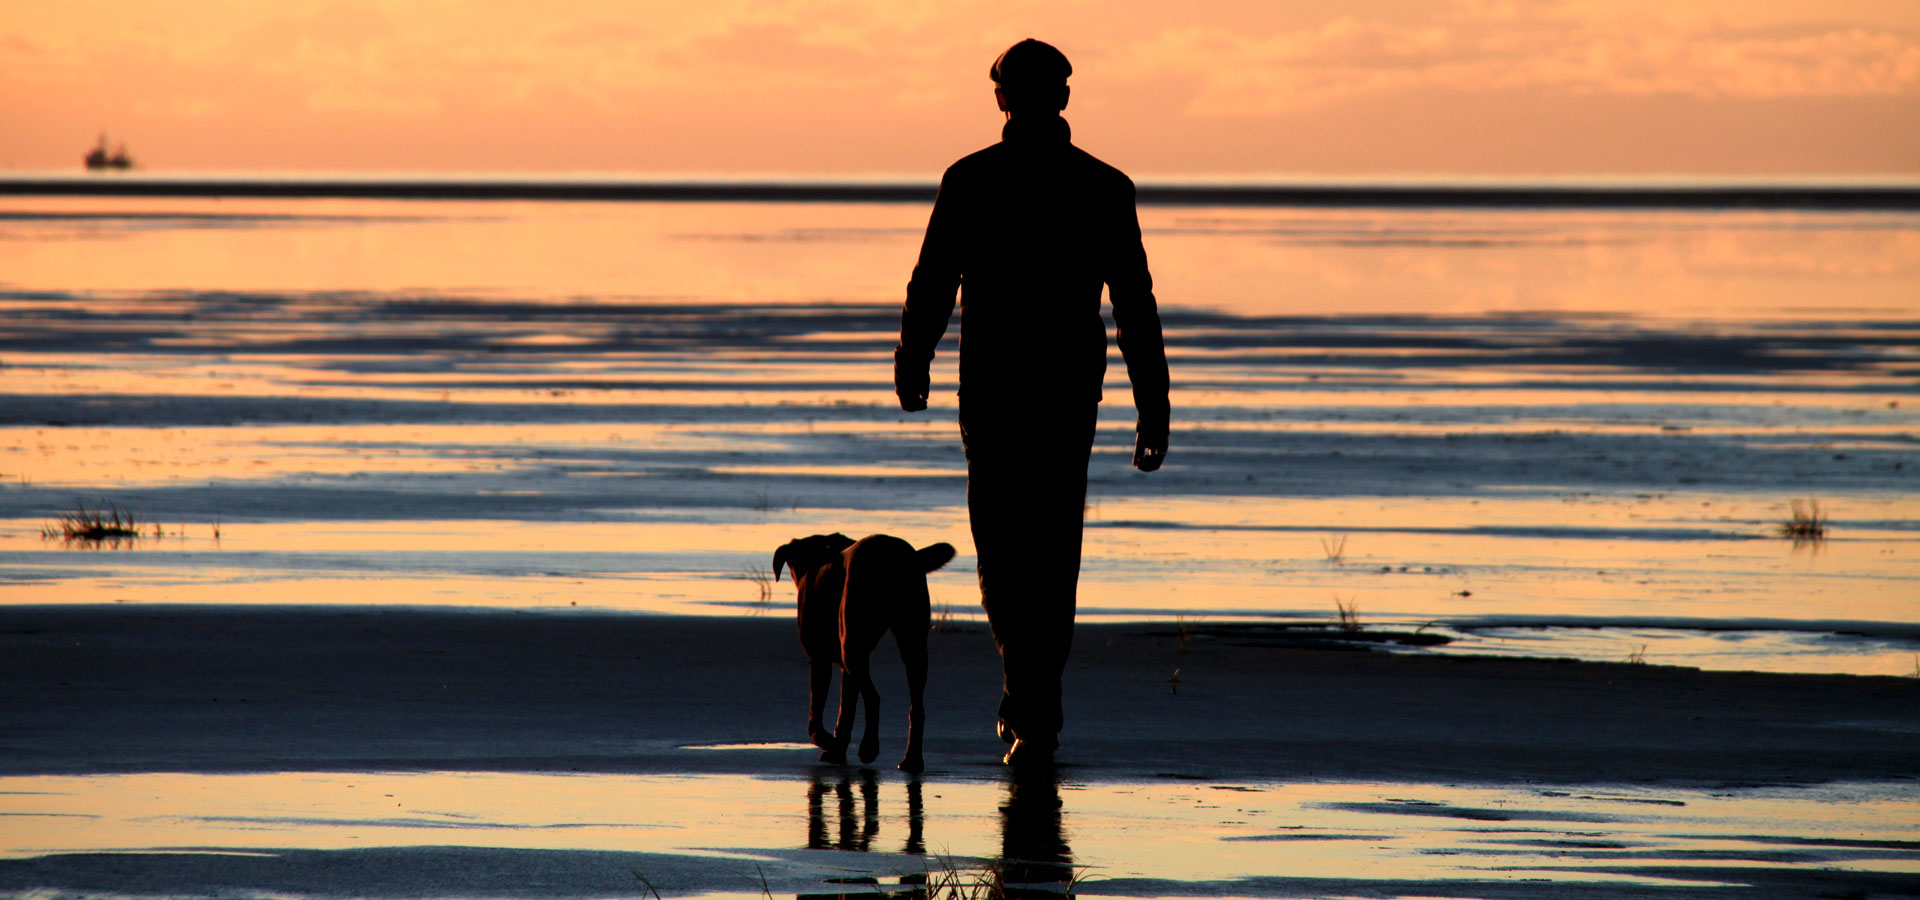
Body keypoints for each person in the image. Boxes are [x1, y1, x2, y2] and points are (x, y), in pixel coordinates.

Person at [894, 38, 1170, 767]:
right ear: (1065, 99)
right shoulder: (1101, 186)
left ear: (1002, 98)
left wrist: (912, 358)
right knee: (1048, 554)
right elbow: (1135, 306)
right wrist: (1154, 404)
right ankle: (1034, 708)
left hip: (1002, 388)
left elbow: (931, 284)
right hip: (1057, 389)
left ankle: (1030, 708)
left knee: (1010, 554)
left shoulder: (975, 179)